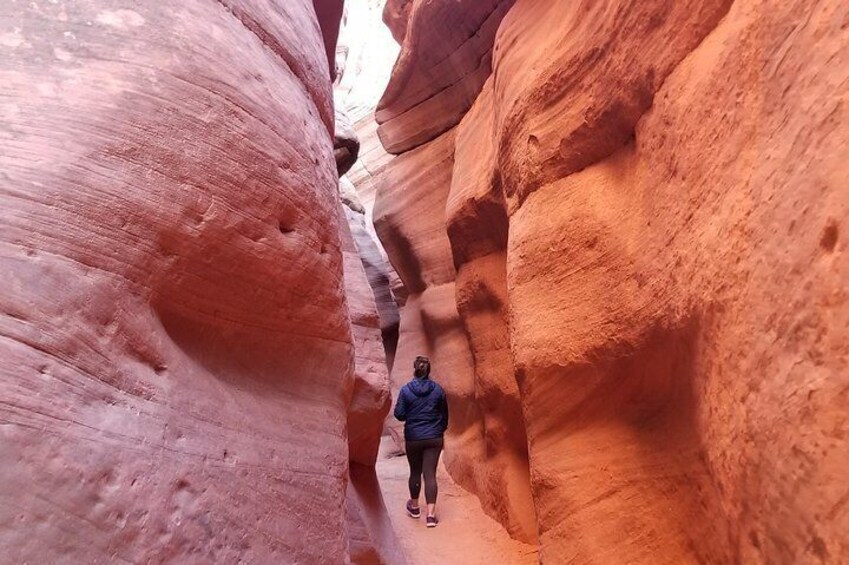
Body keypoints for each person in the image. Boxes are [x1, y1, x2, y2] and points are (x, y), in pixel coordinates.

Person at [393, 355, 449, 528]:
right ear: (429, 370)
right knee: (430, 474)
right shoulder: (438, 390)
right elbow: (445, 415)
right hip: (434, 437)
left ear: (415, 370)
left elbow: (399, 414)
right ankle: (430, 516)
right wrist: (438, 429)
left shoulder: (406, 390)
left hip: (414, 438)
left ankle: (415, 507)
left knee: (415, 472)